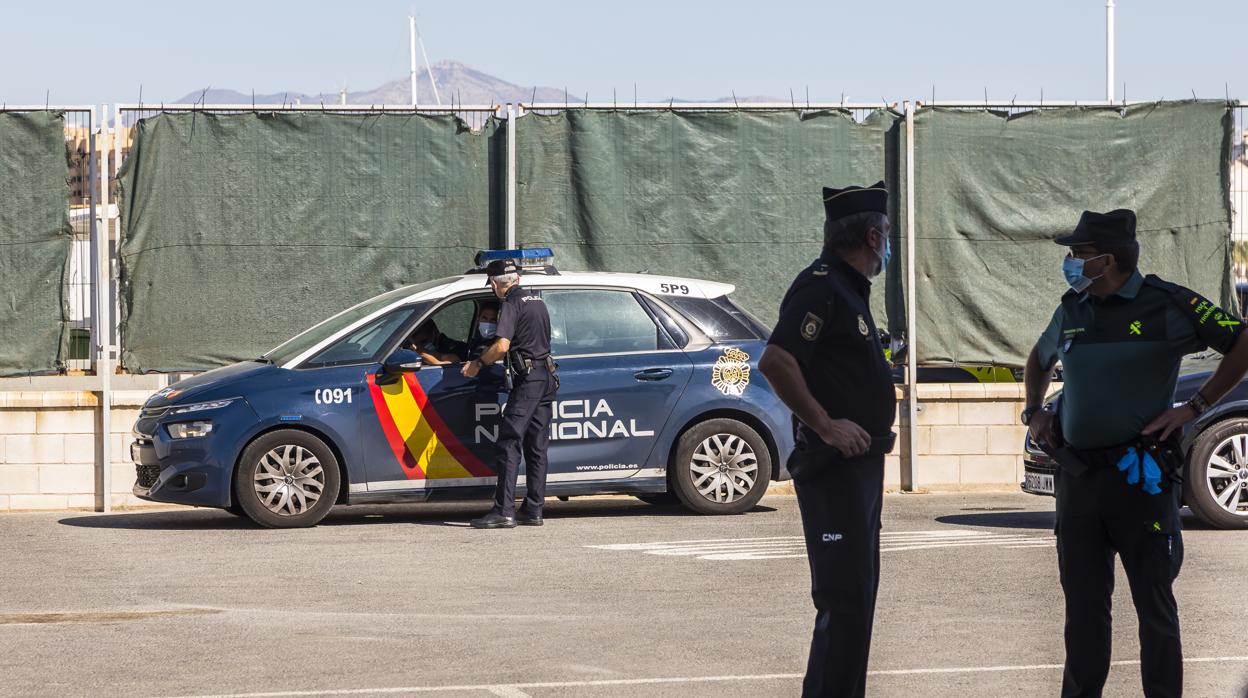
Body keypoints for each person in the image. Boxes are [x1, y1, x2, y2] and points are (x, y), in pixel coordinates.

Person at [1023, 208, 1248, 698]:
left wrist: (1196, 407)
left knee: (1154, 607)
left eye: (1078, 254)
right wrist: (1033, 411)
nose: (1070, 262)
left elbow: (1242, 340)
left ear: (1107, 260)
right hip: (1080, 483)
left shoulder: (1165, 302)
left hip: (1139, 481)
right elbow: (1038, 359)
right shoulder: (1071, 309)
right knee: (1082, 610)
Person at [757, 182, 896, 698]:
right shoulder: (822, 286)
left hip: (858, 470)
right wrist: (825, 424)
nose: (888, 244)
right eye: (886, 235)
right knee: (844, 601)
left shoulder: (847, 289)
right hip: (834, 470)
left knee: (856, 601)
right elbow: (776, 360)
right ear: (873, 234)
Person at [461, 260, 558, 529]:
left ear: (495, 283)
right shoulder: (537, 300)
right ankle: (534, 509)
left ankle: (504, 510)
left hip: (527, 382)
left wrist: (479, 363)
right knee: (537, 447)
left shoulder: (511, 303)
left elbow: (502, 345)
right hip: (546, 377)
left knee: (508, 442)